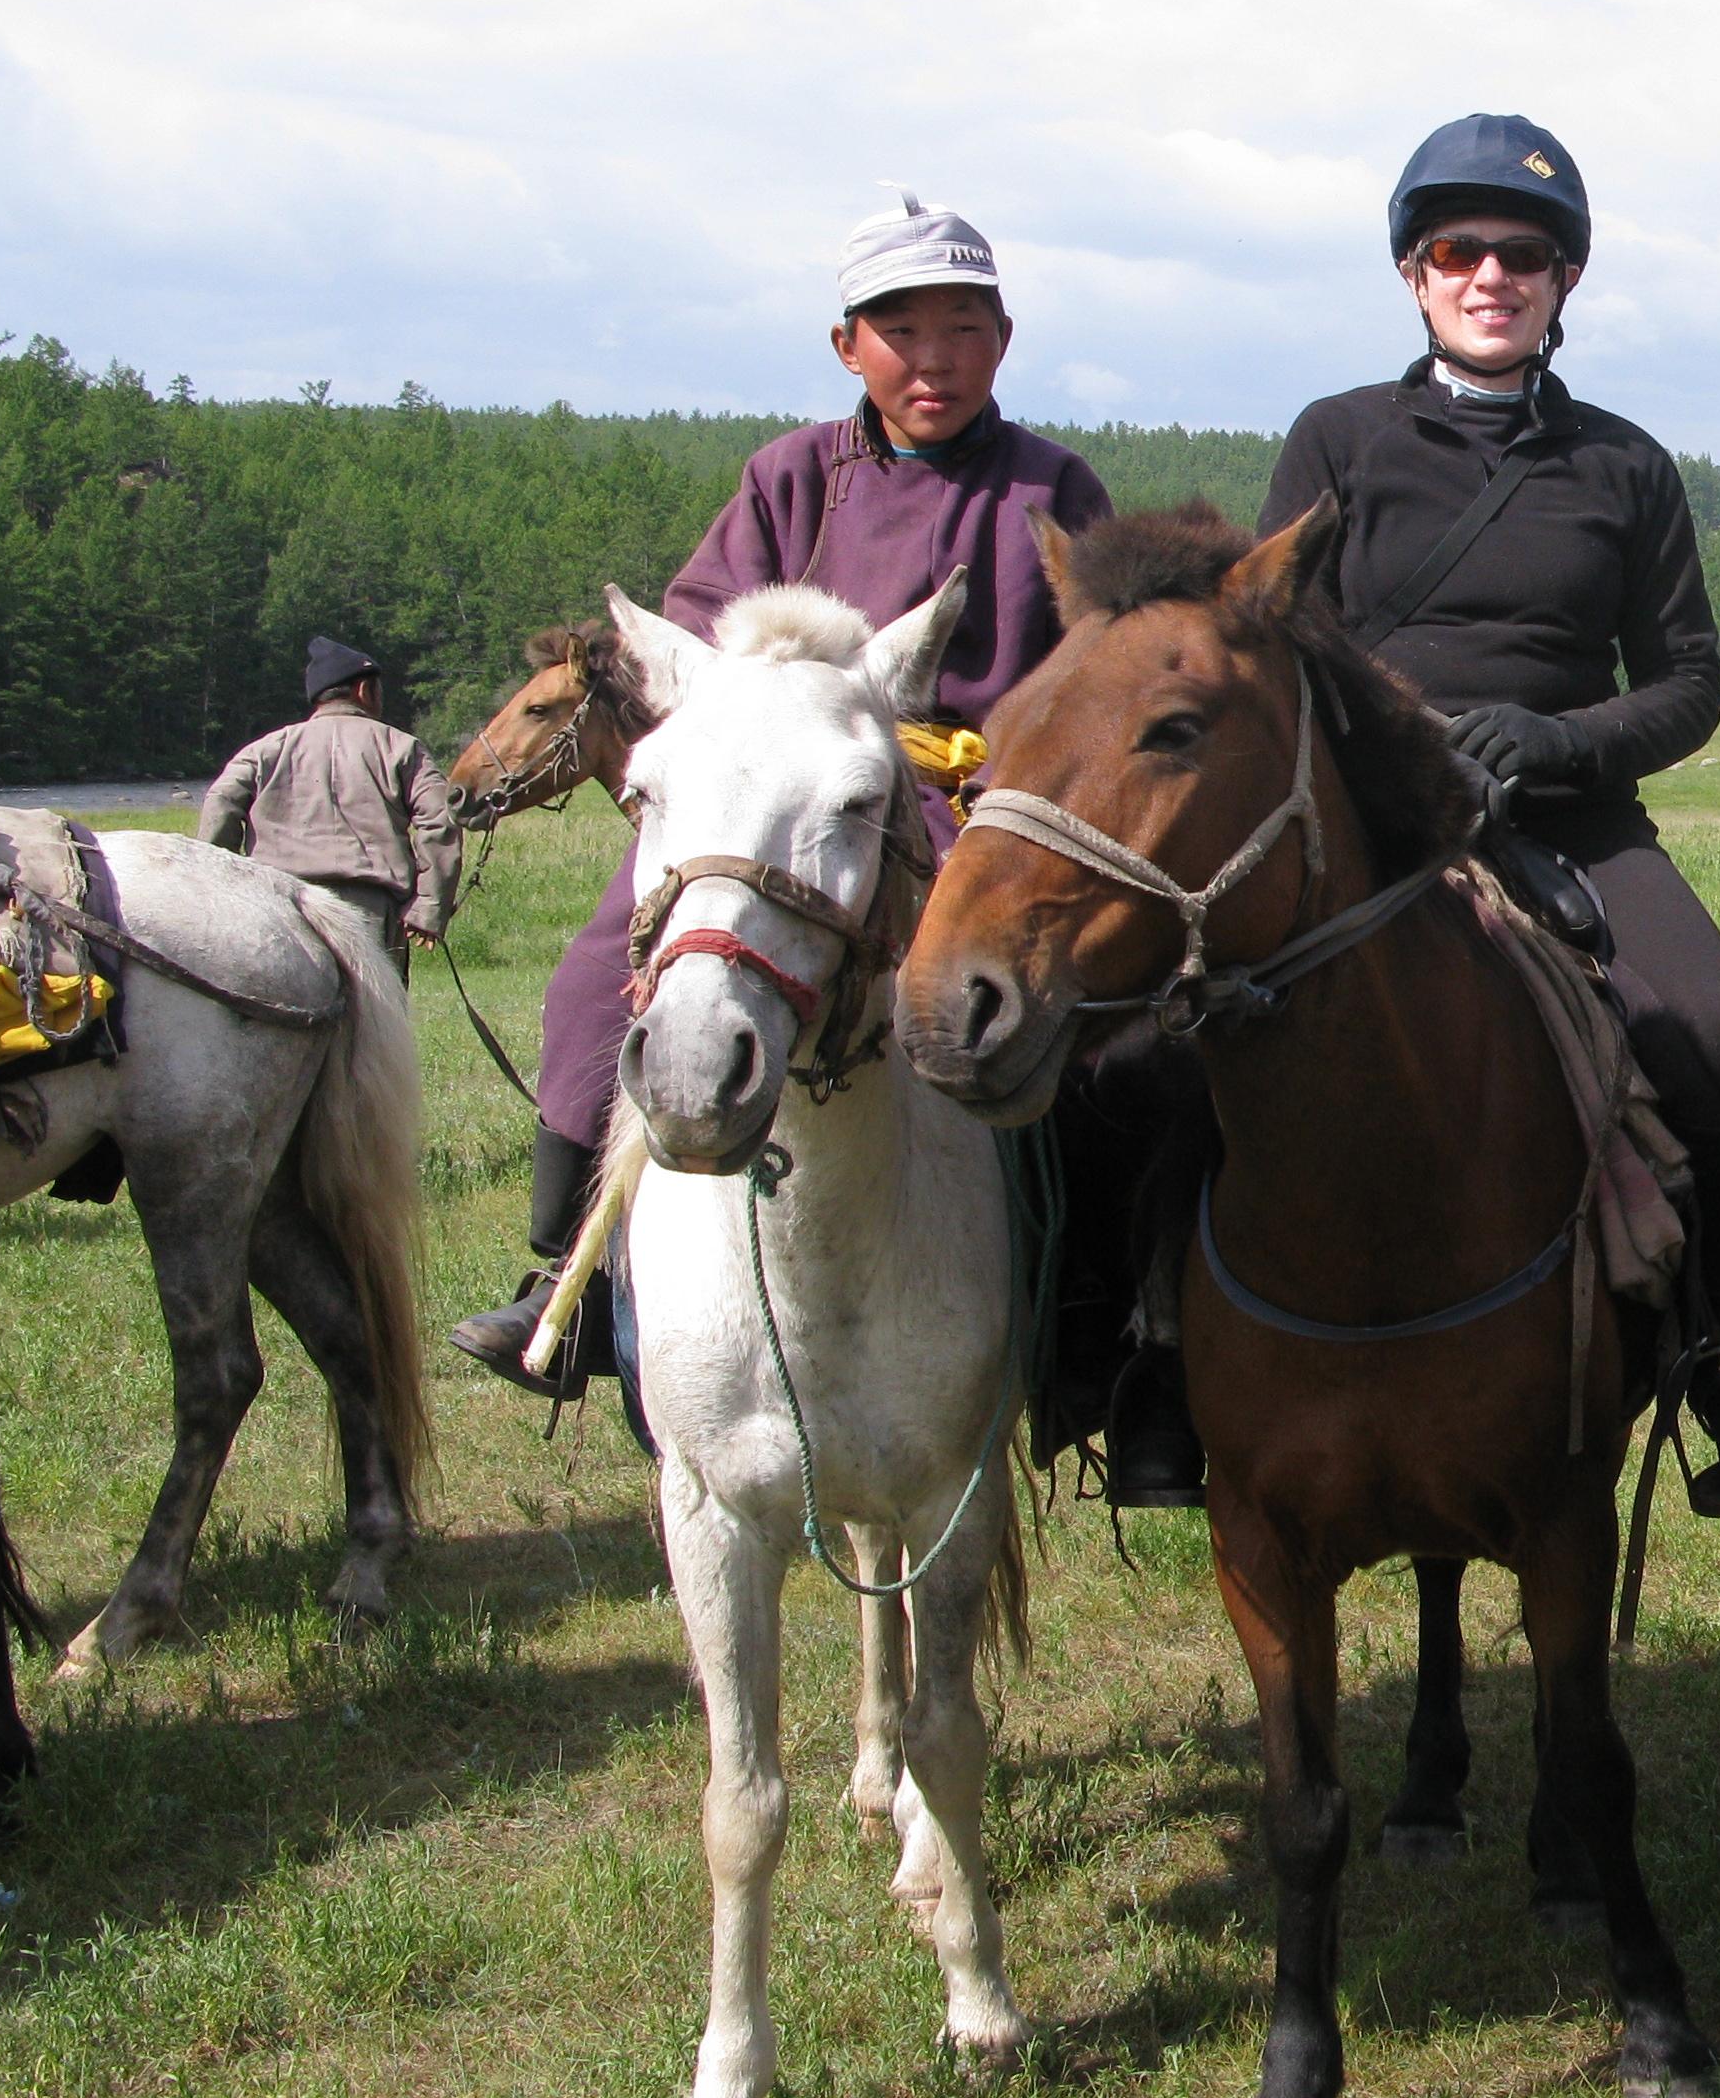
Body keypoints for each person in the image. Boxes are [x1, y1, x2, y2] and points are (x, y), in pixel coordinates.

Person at [1109, 111, 1720, 1520]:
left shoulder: (1625, 467)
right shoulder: (1338, 440)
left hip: (1571, 820)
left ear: (1564, 281)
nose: (1490, 274)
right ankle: (1152, 1356)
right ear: (1414, 273)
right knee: (1155, 1048)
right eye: (1457, 249)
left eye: (1524, 252)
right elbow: (1270, 645)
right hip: (1367, 826)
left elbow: (1687, 684)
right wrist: (1398, 743)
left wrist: (1557, 736)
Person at [447, 197, 1114, 1403]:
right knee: (603, 961)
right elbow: (699, 651)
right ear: (847, 344)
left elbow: (1097, 684)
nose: (935, 356)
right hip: (781, 806)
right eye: (901, 328)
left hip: (974, 814)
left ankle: (1088, 1316)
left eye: (963, 327)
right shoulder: (790, 477)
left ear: (1003, 341)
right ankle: (572, 1280)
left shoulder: (1052, 488)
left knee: (1084, 1021)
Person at [197, 637, 464, 975]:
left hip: (279, 904)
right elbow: (440, 822)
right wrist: (428, 907)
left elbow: (221, 805)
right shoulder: (401, 747)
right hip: (369, 911)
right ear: (365, 690)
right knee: (373, 1025)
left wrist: (224, 889)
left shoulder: (265, 749)